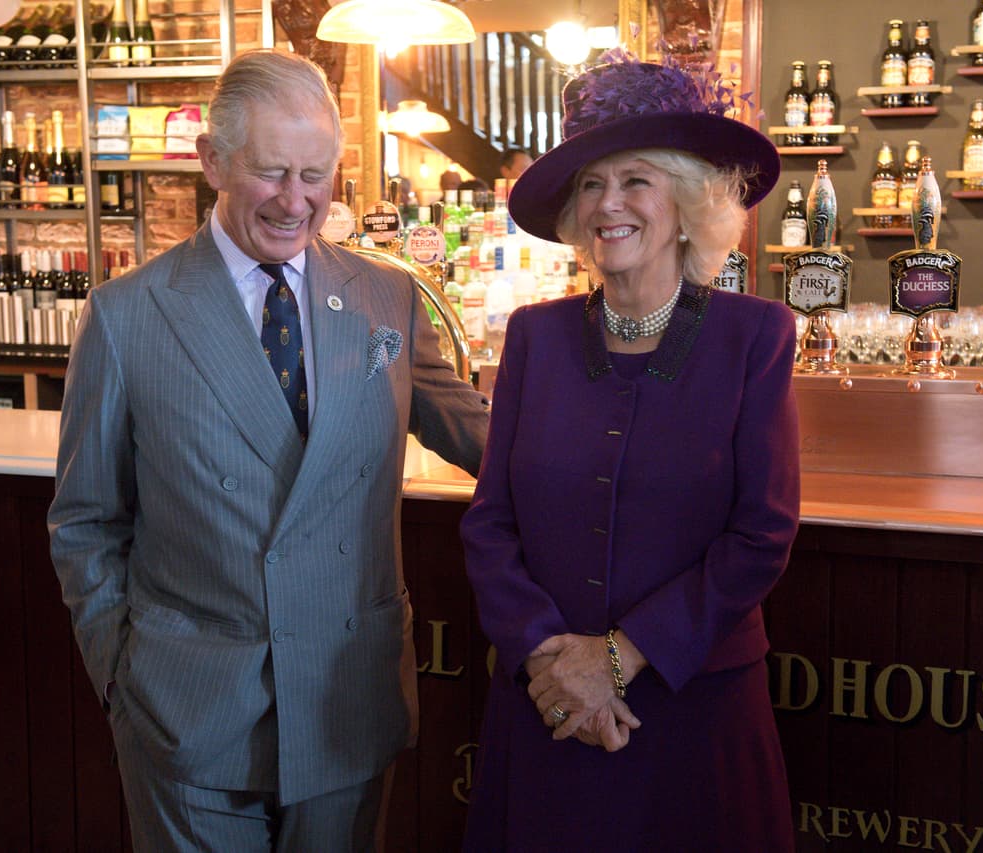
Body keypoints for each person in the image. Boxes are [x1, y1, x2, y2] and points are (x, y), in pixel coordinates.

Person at [48, 48, 489, 852]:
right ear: (213, 160)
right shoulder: (126, 313)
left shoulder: (386, 294)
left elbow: (476, 431)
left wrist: (616, 456)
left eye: (316, 175)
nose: (296, 201)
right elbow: (85, 520)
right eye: (271, 172)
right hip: (188, 709)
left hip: (346, 693)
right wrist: (122, 677)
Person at [459, 50, 798, 850]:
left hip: (691, 707)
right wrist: (551, 662)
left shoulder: (755, 336)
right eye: (590, 184)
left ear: (686, 205)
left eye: (635, 180)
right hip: (547, 706)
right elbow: (490, 522)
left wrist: (619, 657)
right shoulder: (534, 336)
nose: (608, 203)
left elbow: (762, 532)